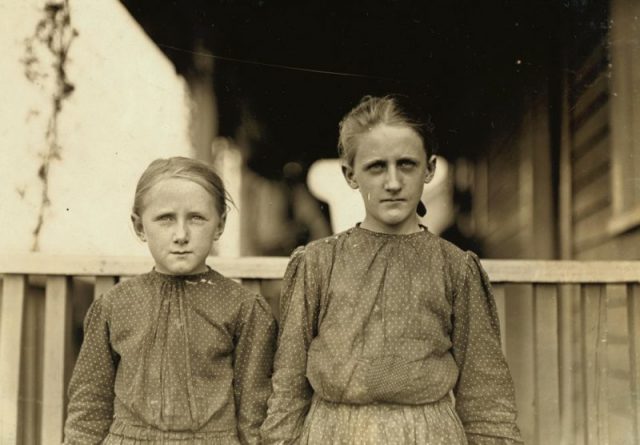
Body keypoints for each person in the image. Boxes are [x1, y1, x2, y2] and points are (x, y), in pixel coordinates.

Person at [260, 95, 522, 444]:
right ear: (350, 174)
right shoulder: (318, 264)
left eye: (407, 164)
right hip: (334, 434)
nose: (394, 182)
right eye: (377, 167)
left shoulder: (455, 268)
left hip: (427, 435)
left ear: (429, 169)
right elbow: (289, 386)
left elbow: (486, 396)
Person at [64, 157, 277, 444]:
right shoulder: (114, 305)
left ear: (220, 224)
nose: (181, 235)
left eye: (196, 218)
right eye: (165, 219)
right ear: (139, 227)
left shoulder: (243, 307)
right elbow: (89, 405)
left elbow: (254, 411)